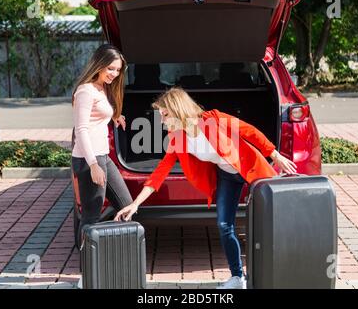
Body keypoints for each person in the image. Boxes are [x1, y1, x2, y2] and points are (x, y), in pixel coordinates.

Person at [114, 87, 297, 289]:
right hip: (226, 175)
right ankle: (238, 278)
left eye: (165, 115)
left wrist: (275, 155)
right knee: (224, 225)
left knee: (272, 220)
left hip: (249, 167)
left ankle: (284, 268)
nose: (161, 121)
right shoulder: (178, 139)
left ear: (178, 110)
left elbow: (249, 131)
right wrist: (135, 204)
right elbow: (159, 173)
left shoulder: (214, 119)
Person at [71, 44, 133, 245]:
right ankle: (88, 267)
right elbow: (81, 129)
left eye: (117, 70)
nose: (114, 73)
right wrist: (93, 165)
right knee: (90, 216)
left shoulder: (102, 88)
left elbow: (95, 117)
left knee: (126, 205)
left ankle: (115, 253)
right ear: (99, 65)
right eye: (111, 69)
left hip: (102, 156)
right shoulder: (85, 91)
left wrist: (114, 116)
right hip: (89, 159)